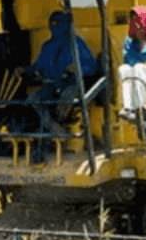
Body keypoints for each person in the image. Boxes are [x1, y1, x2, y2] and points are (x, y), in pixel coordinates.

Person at [18, 10, 98, 160]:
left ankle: (53, 131)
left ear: (67, 25)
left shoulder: (76, 44)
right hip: (53, 84)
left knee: (65, 98)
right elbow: (38, 67)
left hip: (73, 84)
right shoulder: (47, 46)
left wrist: (77, 68)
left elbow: (92, 67)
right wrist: (24, 70)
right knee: (33, 99)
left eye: (59, 24)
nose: (55, 27)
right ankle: (56, 129)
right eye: (53, 24)